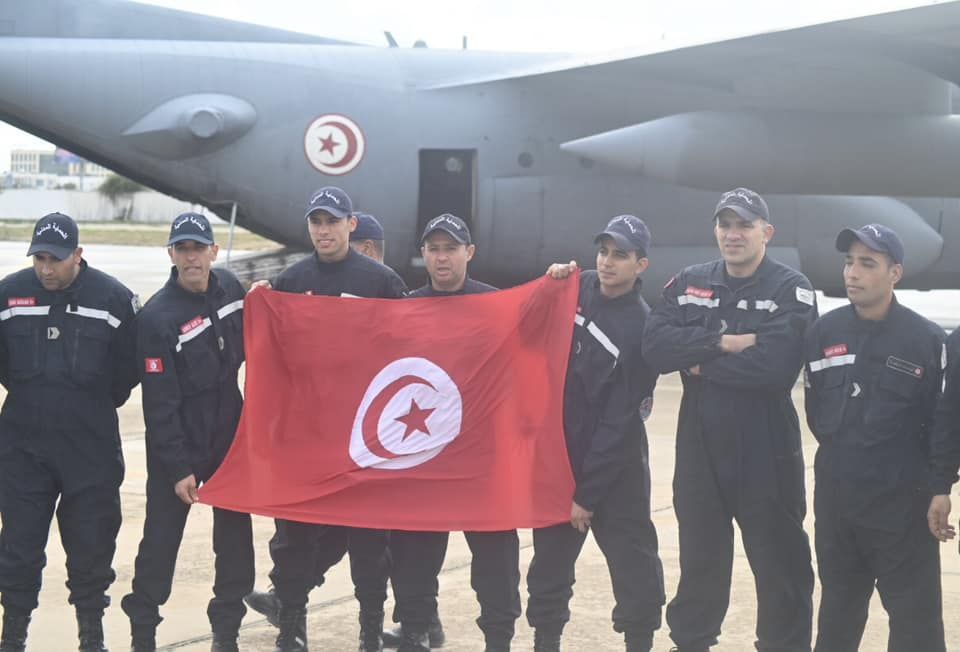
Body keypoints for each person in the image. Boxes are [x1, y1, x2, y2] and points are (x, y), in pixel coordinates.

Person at [244, 209, 447, 649]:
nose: (323, 230)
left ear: (349, 225)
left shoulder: (382, 282)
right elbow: (274, 351)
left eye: (331, 222)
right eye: (316, 222)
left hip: (364, 438)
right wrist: (261, 301)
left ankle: (371, 633)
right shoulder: (292, 280)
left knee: (369, 543)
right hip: (308, 436)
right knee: (294, 536)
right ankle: (291, 627)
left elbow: (409, 347)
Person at [643, 188, 815, 652]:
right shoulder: (690, 282)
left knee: (779, 561)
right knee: (700, 558)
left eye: (744, 225)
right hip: (700, 442)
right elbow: (655, 347)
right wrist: (721, 343)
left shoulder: (790, 288)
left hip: (765, 445)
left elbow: (775, 367)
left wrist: (697, 363)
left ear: (766, 232)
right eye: (725, 224)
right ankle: (691, 643)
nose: (733, 234)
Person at [804, 224, 947, 651]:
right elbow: (816, 412)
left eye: (867, 263)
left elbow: (941, 422)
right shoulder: (823, 333)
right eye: (849, 262)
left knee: (916, 623)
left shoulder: (926, 340)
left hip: (902, 504)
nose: (852, 272)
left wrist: (940, 487)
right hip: (838, 503)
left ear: (894, 273)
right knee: (837, 615)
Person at [0, 213, 139, 652]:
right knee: (18, 548)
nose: (46, 269)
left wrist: (86, 403)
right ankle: (12, 636)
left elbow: (127, 370)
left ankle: (91, 636)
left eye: (55, 260)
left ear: (77, 254)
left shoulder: (113, 299)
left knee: (92, 548)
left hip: (90, 447)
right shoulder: (8, 295)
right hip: (23, 448)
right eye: (39, 258)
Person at [525, 215, 664, 652]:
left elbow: (619, 424)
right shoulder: (579, 286)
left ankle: (639, 642)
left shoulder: (643, 330)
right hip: (561, 457)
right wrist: (551, 282)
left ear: (641, 265)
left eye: (620, 255)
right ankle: (545, 641)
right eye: (603, 251)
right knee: (548, 567)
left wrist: (586, 495)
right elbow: (529, 323)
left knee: (634, 566)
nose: (607, 262)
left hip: (615, 468)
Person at [120, 213, 254, 652]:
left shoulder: (231, 288)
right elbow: (159, 404)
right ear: (171, 255)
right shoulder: (157, 318)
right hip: (179, 440)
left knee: (235, 544)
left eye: (199, 248)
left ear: (214, 251)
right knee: (160, 544)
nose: (191, 257)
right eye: (183, 249)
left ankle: (227, 633)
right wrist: (178, 467)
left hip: (228, 436)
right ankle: (143, 634)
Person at [388, 213, 516, 652]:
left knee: (496, 556)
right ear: (423, 254)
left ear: (469, 253)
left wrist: (557, 283)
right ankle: (416, 630)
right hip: (426, 454)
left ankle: (498, 638)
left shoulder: (497, 305)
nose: (442, 258)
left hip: (482, 457)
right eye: (434, 249)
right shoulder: (405, 308)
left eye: (451, 249)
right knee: (413, 550)